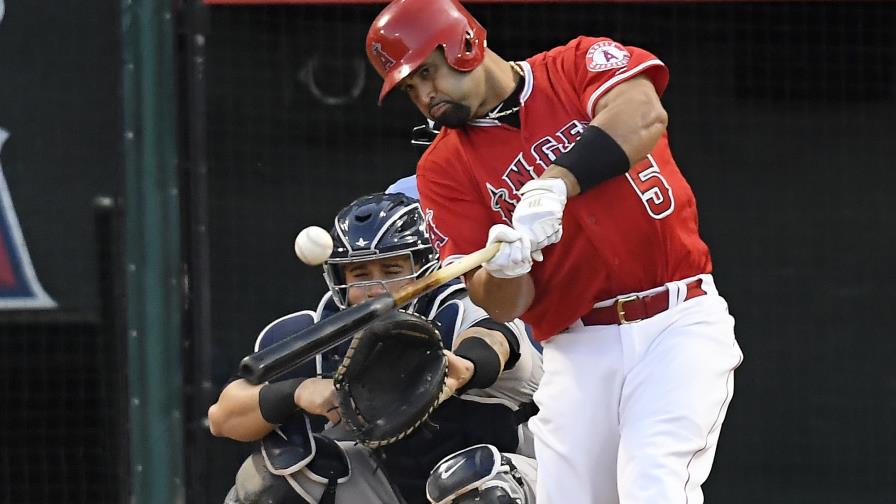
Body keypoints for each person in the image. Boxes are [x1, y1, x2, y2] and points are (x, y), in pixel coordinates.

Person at [365, 1, 744, 503]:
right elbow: (501, 304)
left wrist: (556, 184)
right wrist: (506, 264)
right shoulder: (444, 169)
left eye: (427, 74)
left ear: (465, 44)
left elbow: (643, 113)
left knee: (653, 483)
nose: (425, 95)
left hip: (674, 320)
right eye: (411, 88)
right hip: (578, 346)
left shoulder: (574, 64)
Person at [208, 192, 543, 504]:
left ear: (424, 268)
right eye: (359, 273)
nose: (375, 287)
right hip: (393, 485)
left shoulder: (462, 307)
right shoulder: (317, 333)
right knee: (273, 480)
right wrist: (297, 391)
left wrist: (463, 368)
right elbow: (223, 418)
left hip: (530, 472)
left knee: (475, 482)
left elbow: (493, 340)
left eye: (392, 269)